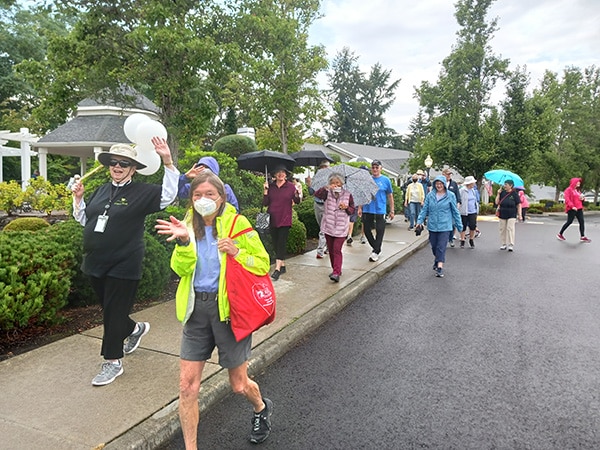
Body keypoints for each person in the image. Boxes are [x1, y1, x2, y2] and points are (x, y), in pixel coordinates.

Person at [155, 171, 273, 448]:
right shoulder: (186, 226)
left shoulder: (237, 224)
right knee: (187, 387)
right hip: (196, 310)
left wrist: (236, 252)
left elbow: (263, 263)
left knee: (239, 385)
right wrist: (184, 243)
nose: (203, 200)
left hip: (229, 313)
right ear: (191, 199)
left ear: (221, 198)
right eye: (197, 195)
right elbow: (180, 269)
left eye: (209, 194)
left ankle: (260, 407)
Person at [71, 139, 179, 386]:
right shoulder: (100, 190)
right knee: (112, 311)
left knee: (112, 313)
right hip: (96, 261)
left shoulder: (143, 192)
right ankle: (134, 329)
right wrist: (78, 199)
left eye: (124, 163)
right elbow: (85, 220)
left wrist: (167, 161)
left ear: (133, 168)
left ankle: (112, 362)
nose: (117, 167)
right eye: (114, 163)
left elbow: (168, 196)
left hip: (125, 261)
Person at [415, 175, 462, 278]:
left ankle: (440, 267)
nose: (439, 185)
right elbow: (424, 210)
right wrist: (419, 221)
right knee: (434, 247)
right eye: (437, 183)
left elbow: (455, 211)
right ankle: (437, 259)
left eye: (441, 183)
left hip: (445, 226)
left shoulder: (451, 195)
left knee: (441, 247)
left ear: (444, 184)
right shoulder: (430, 195)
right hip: (432, 225)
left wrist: (459, 225)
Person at [313, 173, 355, 282]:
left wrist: (346, 208)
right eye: (332, 183)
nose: (335, 185)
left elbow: (352, 210)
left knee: (337, 249)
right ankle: (336, 269)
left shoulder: (347, 194)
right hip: (328, 226)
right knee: (331, 250)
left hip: (341, 227)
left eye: (337, 183)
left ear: (342, 184)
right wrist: (326, 188)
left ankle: (336, 272)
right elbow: (316, 195)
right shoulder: (326, 193)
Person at [263, 165, 301, 280]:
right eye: (278, 172)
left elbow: (297, 201)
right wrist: (265, 191)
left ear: (286, 174)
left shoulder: (290, 187)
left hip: (285, 218)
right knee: (275, 242)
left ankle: (277, 268)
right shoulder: (271, 186)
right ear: (274, 174)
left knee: (281, 243)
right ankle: (283, 265)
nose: (280, 174)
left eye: (283, 172)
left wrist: (297, 193)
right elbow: (265, 203)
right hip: (272, 218)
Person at [360, 160, 395, 262]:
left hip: (380, 209)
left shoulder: (385, 180)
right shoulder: (367, 180)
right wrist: (359, 207)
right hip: (368, 208)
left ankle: (375, 252)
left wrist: (392, 210)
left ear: (381, 168)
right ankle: (376, 248)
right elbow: (363, 195)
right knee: (366, 230)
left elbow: (390, 195)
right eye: (373, 167)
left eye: (377, 167)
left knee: (380, 230)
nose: (375, 169)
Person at [306, 160, 330, 258]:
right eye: (322, 167)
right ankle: (328, 246)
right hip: (317, 204)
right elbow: (311, 192)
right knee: (322, 227)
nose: (324, 169)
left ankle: (320, 250)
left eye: (326, 167)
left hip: (327, 205)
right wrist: (309, 184)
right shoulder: (316, 178)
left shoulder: (331, 179)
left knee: (323, 228)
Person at [557, 177, 592, 243]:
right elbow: (567, 200)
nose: (579, 183)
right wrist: (572, 206)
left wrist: (583, 199)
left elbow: (580, 198)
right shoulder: (568, 190)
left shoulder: (577, 190)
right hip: (572, 209)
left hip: (579, 208)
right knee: (569, 221)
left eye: (579, 182)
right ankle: (560, 234)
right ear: (574, 182)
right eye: (578, 182)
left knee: (581, 221)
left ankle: (582, 236)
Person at [495, 179, 522, 251]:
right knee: (502, 229)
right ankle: (503, 244)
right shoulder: (502, 193)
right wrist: (498, 193)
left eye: (506, 184)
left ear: (511, 186)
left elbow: (519, 204)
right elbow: (497, 202)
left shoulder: (514, 194)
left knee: (510, 228)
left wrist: (520, 215)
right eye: (504, 184)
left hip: (512, 213)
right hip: (502, 212)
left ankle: (511, 244)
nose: (505, 186)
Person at [458, 176, 479, 249]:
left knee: (472, 226)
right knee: (463, 226)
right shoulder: (462, 190)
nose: (474, 184)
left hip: (473, 211)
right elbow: (459, 199)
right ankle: (462, 240)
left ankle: (471, 239)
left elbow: (475, 200)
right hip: (464, 211)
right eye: (473, 182)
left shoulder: (473, 190)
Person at [441, 167, 460, 247]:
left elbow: (457, 195)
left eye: (450, 174)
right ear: (443, 175)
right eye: (447, 174)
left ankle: (451, 239)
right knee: (443, 224)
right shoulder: (440, 184)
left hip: (452, 207)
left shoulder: (454, 184)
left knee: (452, 224)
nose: (449, 176)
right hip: (442, 207)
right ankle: (443, 239)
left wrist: (458, 204)